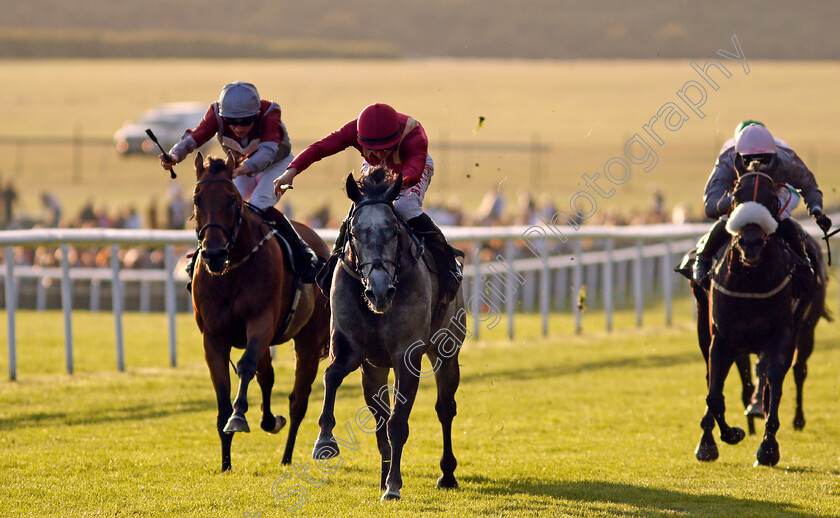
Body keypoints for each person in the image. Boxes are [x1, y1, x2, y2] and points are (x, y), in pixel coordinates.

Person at [273, 102, 463, 303]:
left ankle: (448, 263)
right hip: (376, 169)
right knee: (361, 211)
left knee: (404, 207)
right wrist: (291, 171)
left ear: (397, 137)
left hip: (411, 169)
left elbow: (414, 173)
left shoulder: (414, 134)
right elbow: (320, 148)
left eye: (385, 148)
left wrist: (384, 191)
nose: (381, 154)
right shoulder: (353, 130)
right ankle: (334, 266)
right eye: (374, 149)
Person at [158, 81, 320, 285]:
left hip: (279, 165)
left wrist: (245, 168)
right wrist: (174, 154)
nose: (238, 128)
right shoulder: (215, 113)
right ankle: (206, 255)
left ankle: (301, 251)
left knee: (259, 204)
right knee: (230, 209)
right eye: (232, 122)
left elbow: (268, 153)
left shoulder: (270, 111)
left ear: (256, 115)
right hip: (241, 166)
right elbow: (195, 137)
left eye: (245, 122)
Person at [692, 122, 832, 289]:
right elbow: (711, 204)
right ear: (739, 156)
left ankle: (804, 264)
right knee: (725, 219)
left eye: (764, 159)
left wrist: (816, 211)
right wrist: (737, 201)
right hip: (739, 195)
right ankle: (702, 259)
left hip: (774, 193)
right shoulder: (728, 160)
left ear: (773, 155)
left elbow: (808, 185)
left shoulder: (785, 160)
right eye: (748, 160)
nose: (756, 164)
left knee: (782, 218)